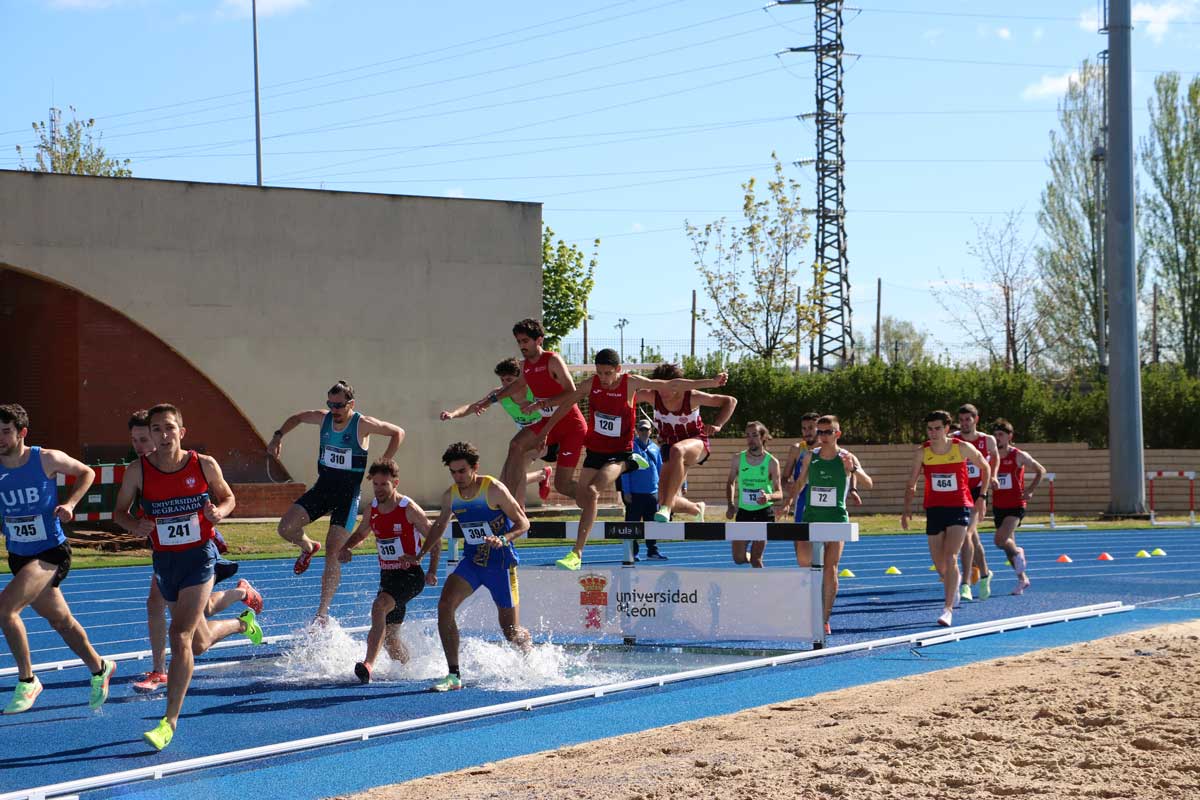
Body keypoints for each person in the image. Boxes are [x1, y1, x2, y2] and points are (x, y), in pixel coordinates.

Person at [114, 404, 264, 750]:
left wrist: (219, 511)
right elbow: (118, 512)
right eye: (156, 429)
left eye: (169, 428)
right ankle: (243, 621)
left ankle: (169, 721)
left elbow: (228, 498)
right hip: (166, 562)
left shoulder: (203, 464)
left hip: (199, 557)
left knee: (178, 634)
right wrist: (135, 524)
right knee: (197, 641)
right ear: (149, 434)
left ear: (181, 432)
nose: (163, 435)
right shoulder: (139, 471)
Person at [532, 349, 726, 570]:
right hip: (595, 450)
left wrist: (710, 381)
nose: (603, 378)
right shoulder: (591, 384)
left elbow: (672, 385)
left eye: (607, 373)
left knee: (594, 491)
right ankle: (632, 462)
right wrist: (545, 431)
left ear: (618, 370)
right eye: (599, 373)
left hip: (619, 452)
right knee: (582, 499)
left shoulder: (631, 383)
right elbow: (567, 403)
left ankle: (576, 553)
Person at [0, 404, 115, 715]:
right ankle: (99, 667)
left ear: (22, 432)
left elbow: (86, 473)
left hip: (51, 552)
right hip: (19, 555)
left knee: (5, 608)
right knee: (61, 621)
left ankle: (28, 680)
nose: (0, 438)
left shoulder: (45, 458)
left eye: (6, 431)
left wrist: (70, 503)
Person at [267, 380, 406, 621]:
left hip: (347, 496)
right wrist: (277, 436)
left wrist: (383, 463)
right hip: (322, 489)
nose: (334, 410)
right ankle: (308, 546)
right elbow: (298, 417)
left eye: (339, 405)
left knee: (334, 550)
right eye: (330, 404)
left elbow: (398, 432)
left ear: (351, 404)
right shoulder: (324, 419)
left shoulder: (362, 424)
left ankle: (321, 613)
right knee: (285, 528)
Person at [404, 442, 531, 691]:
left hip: (501, 565)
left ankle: (527, 649)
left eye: (462, 471)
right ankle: (454, 675)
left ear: (475, 468)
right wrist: (420, 554)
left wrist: (503, 538)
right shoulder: (451, 495)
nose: (457, 477)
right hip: (472, 562)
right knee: (444, 605)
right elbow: (439, 527)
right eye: (453, 472)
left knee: (510, 631)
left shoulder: (493, 489)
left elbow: (523, 523)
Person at [337, 459, 439, 683]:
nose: (379, 489)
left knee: (379, 606)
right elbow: (362, 532)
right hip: (389, 576)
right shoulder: (372, 508)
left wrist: (430, 569)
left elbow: (435, 539)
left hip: (411, 575)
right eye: (375, 484)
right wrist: (346, 547)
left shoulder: (408, 509)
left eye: (384, 484)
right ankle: (409, 669)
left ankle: (368, 665)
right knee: (391, 639)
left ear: (395, 483)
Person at [472, 319, 588, 509]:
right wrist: (488, 401)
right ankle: (506, 504)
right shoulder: (525, 365)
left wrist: (541, 404)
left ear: (539, 340)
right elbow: (516, 385)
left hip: (570, 426)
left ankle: (590, 497)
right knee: (516, 445)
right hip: (547, 422)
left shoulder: (552, 360)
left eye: (525, 341)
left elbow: (571, 392)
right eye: (519, 342)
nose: (521, 346)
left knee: (563, 485)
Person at [900, 409, 991, 628]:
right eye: (930, 429)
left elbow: (985, 467)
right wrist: (906, 509)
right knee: (940, 564)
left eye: (937, 428)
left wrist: (982, 497)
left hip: (959, 507)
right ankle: (953, 580)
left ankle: (947, 609)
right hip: (934, 509)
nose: (933, 432)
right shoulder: (923, 452)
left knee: (951, 557)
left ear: (947, 429)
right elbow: (911, 483)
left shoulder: (961, 447)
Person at [788, 415, 873, 634]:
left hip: (836, 519)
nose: (823, 436)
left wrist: (852, 469)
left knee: (829, 568)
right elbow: (800, 483)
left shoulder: (847, 457)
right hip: (811, 517)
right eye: (821, 432)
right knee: (804, 561)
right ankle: (811, 604)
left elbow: (869, 483)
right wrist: (787, 503)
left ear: (837, 433)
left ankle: (824, 618)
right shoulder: (810, 456)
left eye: (828, 432)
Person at [440, 358, 552, 505]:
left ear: (520, 378)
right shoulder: (500, 395)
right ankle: (542, 475)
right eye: (503, 380)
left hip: (549, 439)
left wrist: (537, 410)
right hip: (525, 441)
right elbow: (474, 406)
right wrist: (453, 414)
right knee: (507, 479)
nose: (506, 384)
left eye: (510, 380)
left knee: (512, 478)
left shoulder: (534, 391)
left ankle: (520, 514)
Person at [641, 362, 738, 522]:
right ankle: (696, 508)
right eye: (659, 387)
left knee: (678, 451)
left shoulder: (692, 396)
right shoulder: (651, 395)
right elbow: (629, 396)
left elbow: (730, 401)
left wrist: (717, 425)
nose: (663, 392)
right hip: (669, 445)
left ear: (679, 386)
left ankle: (666, 508)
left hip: (696, 442)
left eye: (669, 388)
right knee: (663, 497)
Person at [990, 419, 1046, 596]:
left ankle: (1018, 551)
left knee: (1000, 540)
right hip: (998, 505)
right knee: (1007, 547)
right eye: (995, 435)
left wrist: (1029, 490)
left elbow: (1041, 471)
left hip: (1015, 505)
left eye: (1001, 435)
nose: (998, 438)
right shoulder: (991, 457)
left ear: (1009, 436)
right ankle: (1022, 579)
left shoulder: (1019, 455)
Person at [953, 403, 999, 601]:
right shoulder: (953, 439)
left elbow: (994, 459)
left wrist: (993, 477)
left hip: (978, 491)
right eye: (961, 420)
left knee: (967, 534)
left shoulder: (987, 440)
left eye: (968, 420)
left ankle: (965, 583)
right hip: (959, 491)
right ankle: (986, 574)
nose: (964, 424)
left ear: (975, 420)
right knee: (974, 538)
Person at [725, 421, 782, 568]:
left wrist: (768, 497)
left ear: (763, 437)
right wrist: (731, 505)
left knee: (756, 559)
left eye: (754, 435)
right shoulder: (738, 459)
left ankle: (764, 588)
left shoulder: (772, 462)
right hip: (744, 513)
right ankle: (751, 561)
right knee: (738, 558)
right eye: (748, 436)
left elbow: (779, 492)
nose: (750, 439)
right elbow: (731, 482)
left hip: (764, 513)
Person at [622, 419, 665, 561]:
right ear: (637, 431)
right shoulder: (631, 447)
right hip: (634, 494)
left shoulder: (655, 448)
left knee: (652, 524)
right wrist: (626, 491)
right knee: (632, 525)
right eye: (641, 429)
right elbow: (625, 471)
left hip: (652, 493)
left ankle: (652, 551)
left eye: (646, 429)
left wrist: (661, 491)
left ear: (650, 431)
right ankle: (632, 552)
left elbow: (660, 470)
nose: (644, 432)